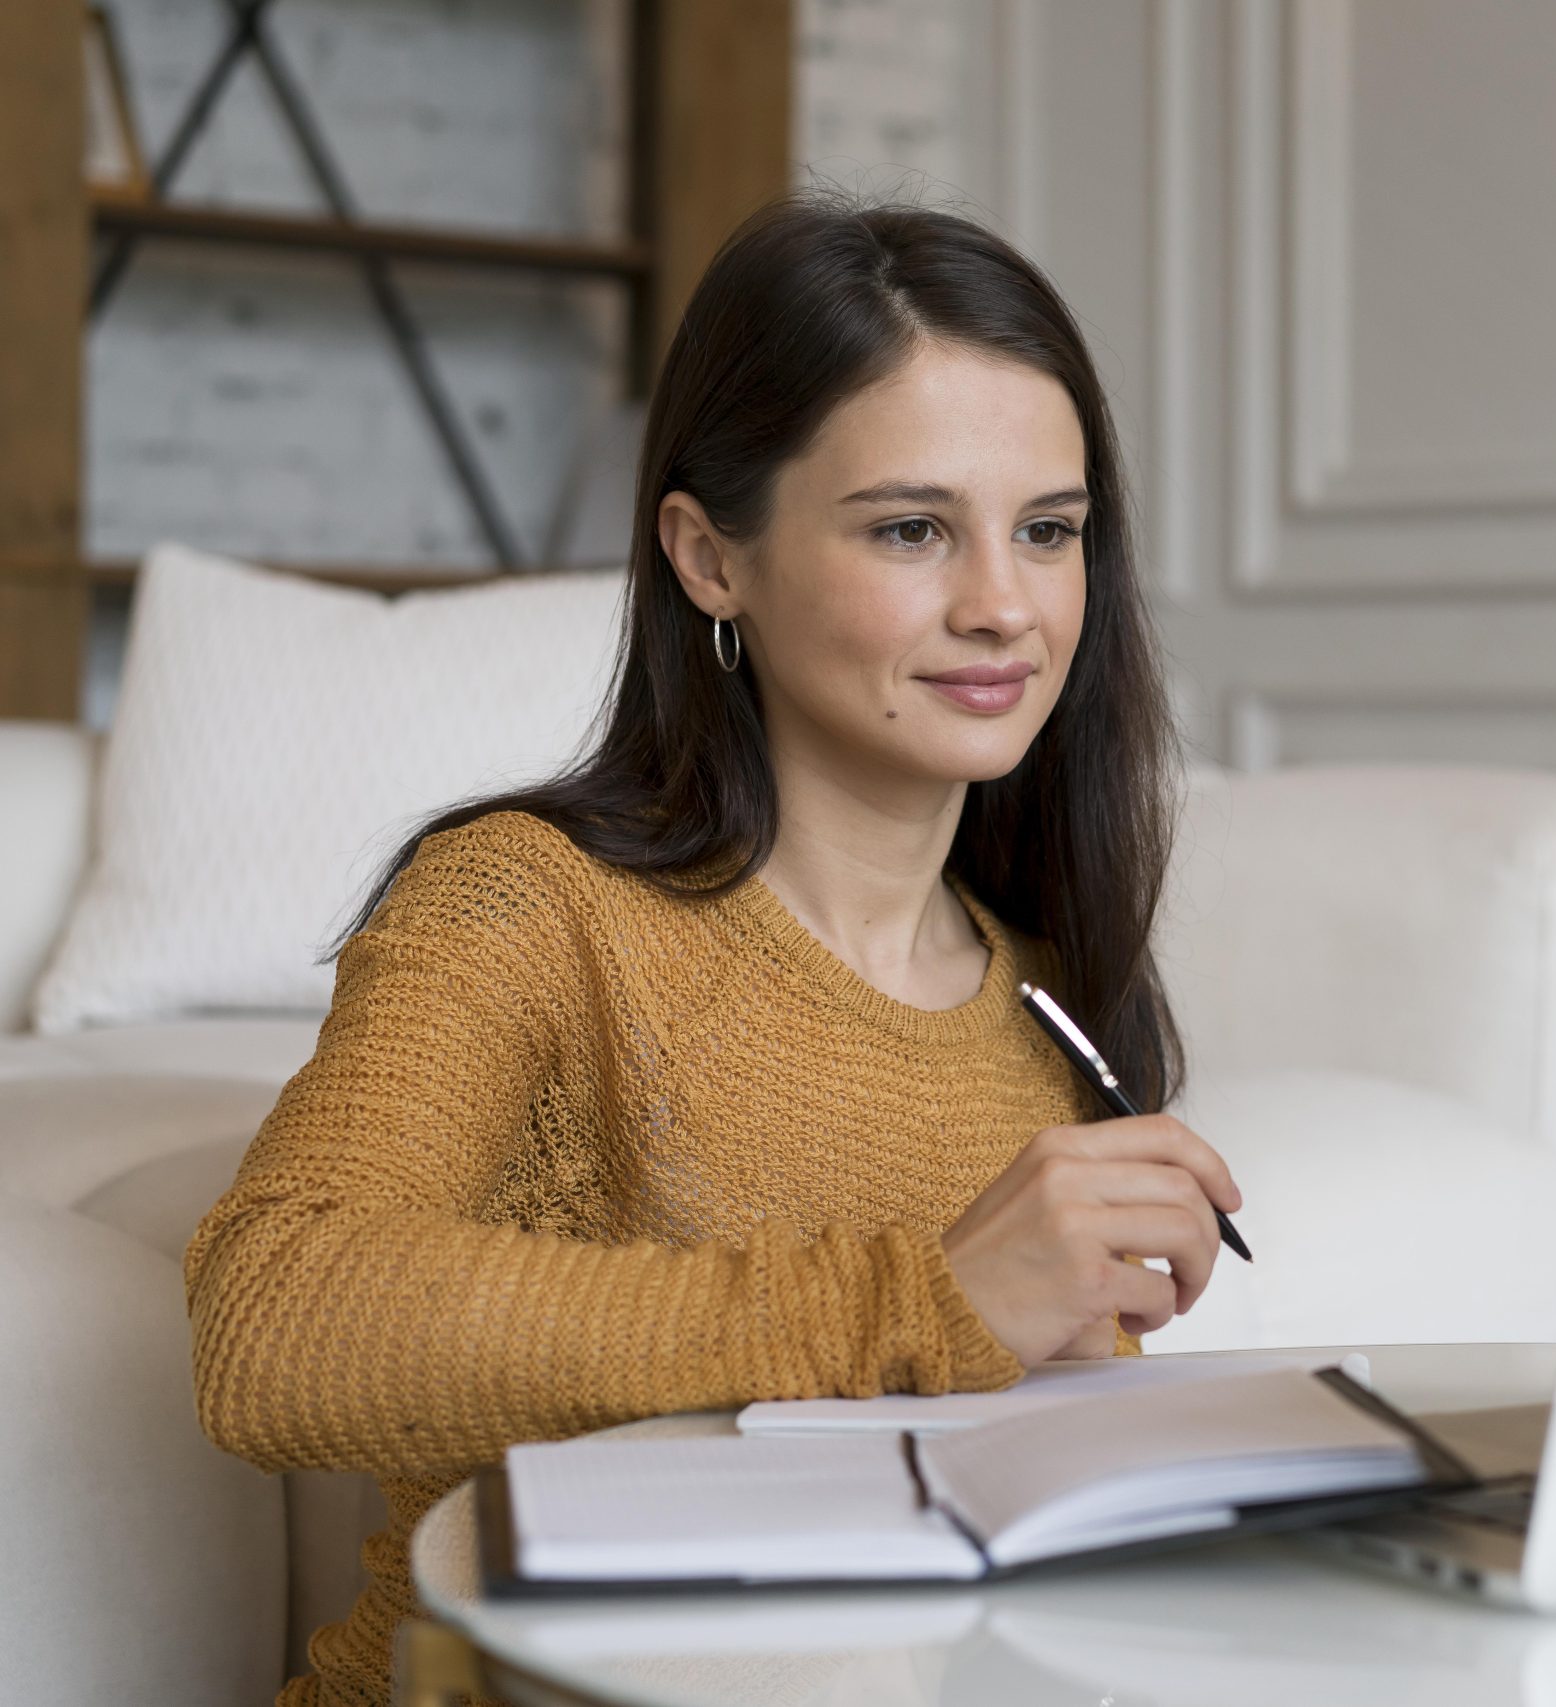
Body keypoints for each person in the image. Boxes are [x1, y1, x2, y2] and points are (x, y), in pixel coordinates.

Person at [180, 188, 1242, 1707]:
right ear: (707, 556)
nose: (1006, 606)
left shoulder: (1052, 996)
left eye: (1050, 532)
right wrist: (921, 1306)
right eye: (912, 528)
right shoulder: (524, 907)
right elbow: (275, 1318)